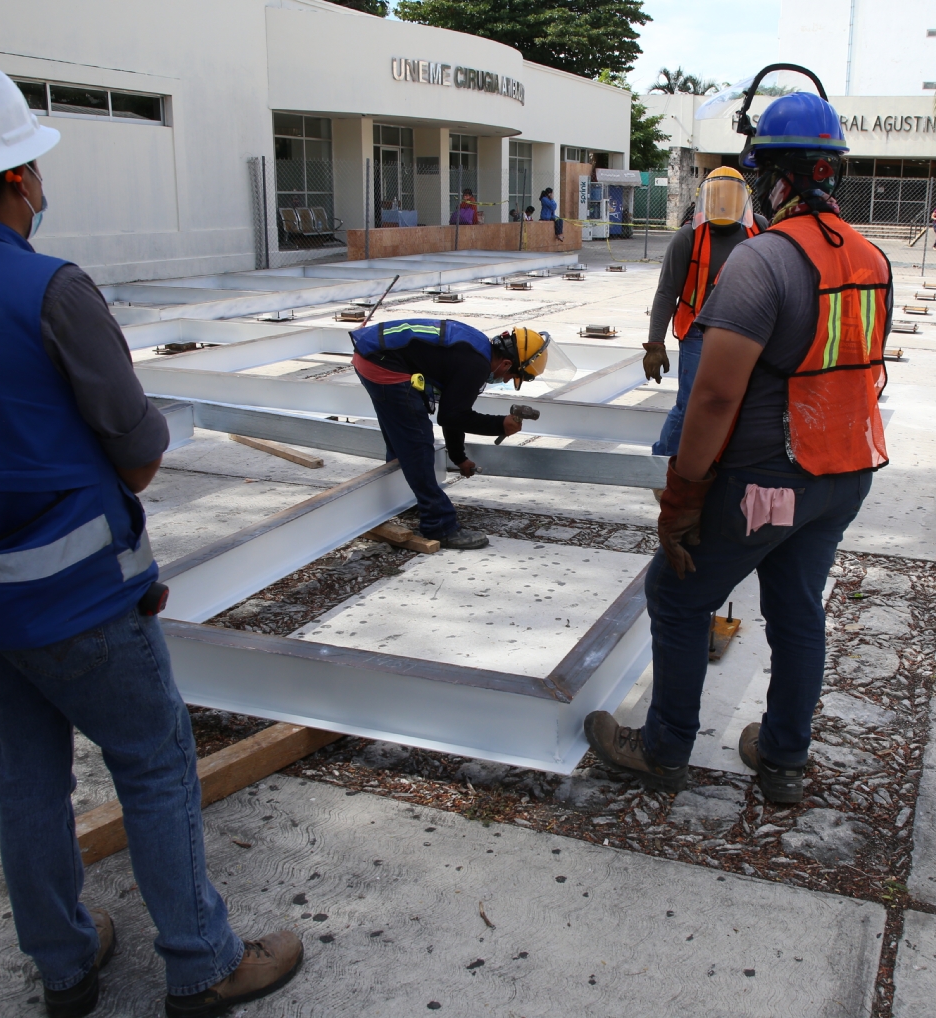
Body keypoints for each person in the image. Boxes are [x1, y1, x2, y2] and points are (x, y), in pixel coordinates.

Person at [0, 54, 299, 1018]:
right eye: (36, 167)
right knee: (153, 762)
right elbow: (136, 454)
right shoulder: (50, 289)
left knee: (26, 778)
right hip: (75, 595)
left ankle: (64, 960)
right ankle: (203, 962)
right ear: (19, 176)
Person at [582, 91, 891, 803]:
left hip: (769, 480)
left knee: (678, 594)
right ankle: (783, 759)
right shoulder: (872, 258)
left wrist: (685, 494)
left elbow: (716, 396)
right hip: (844, 471)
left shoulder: (764, 262)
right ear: (831, 172)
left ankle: (663, 751)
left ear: (772, 177)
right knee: (796, 607)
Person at [351, 320, 551, 549]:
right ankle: (439, 525)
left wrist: (458, 457)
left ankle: (407, 498)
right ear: (506, 363)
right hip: (384, 364)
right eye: (513, 376)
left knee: (402, 435)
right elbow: (452, 416)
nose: (506, 381)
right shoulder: (475, 365)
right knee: (417, 442)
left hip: (373, 356)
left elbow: (452, 408)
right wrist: (499, 425)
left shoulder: (477, 350)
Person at [644, 167, 767, 460]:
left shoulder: (760, 229)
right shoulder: (688, 236)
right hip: (699, 332)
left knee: (740, 403)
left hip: (748, 332)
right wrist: (655, 345)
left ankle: (718, 462)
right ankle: (663, 464)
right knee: (690, 405)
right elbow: (666, 293)